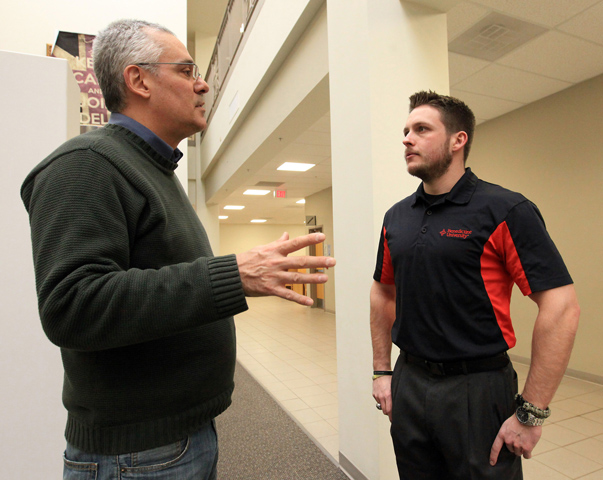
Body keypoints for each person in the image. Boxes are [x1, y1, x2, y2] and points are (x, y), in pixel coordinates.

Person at [21, 19, 335, 480]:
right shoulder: (85, 165)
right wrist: (232, 276)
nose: (203, 83)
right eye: (187, 70)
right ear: (138, 79)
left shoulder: (153, 170)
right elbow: (72, 306)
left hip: (173, 439)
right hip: (137, 454)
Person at [370, 91, 579, 479]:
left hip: (477, 390)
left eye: (421, 129)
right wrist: (382, 372)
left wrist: (532, 413)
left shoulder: (505, 210)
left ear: (458, 140)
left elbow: (561, 306)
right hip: (410, 381)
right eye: (405, 131)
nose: (406, 139)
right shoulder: (396, 217)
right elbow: (383, 291)